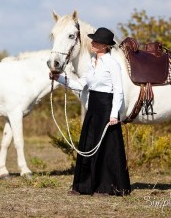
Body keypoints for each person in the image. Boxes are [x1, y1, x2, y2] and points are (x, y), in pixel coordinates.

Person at [50, 27, 131, 196]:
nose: (92, 43)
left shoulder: (112, 64)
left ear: (104, 46)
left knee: (106, 148)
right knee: (88, 144)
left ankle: (106, 188)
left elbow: (118, 91)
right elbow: (80, 85)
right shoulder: (92, 63)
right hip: (93, 107)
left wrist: (114, 114)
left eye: (95, 41)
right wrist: (60, 79)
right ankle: (83, 186)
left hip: (107, 107)